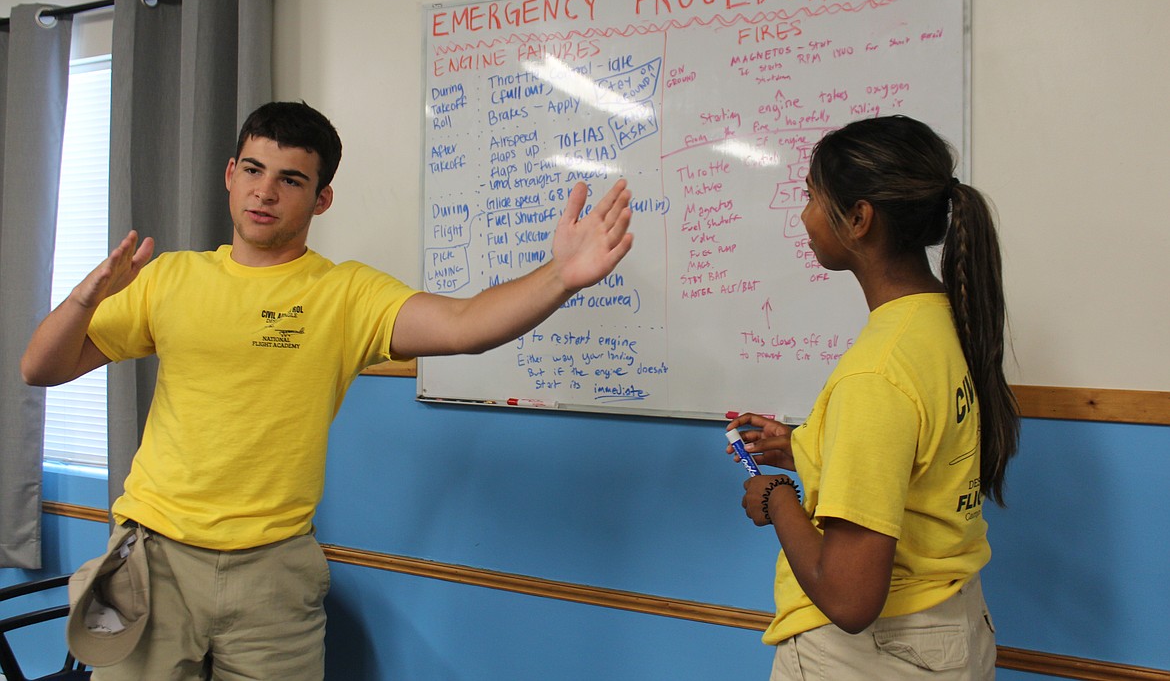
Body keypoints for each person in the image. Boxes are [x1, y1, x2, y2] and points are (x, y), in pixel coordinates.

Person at [20, 101, 634, 680]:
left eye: (291, 179)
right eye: (254, 170)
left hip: (274, 572)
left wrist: (561, 277)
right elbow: (40, 368)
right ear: (231, 175)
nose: (265, 191)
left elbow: (466, 325)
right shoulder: (170, 278)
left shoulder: (346, 294)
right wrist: (85, 297)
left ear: (322, 199)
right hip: (154, 560)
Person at [727, 115, 1018, 680]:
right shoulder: (940, 324)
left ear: (859, 219)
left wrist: (775, 500)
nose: (804, 216)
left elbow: (850, 598)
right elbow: (917, 457)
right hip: (953, 627)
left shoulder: (876, 375)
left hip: (875, 657)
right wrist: (809, 447)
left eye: (811, 196)